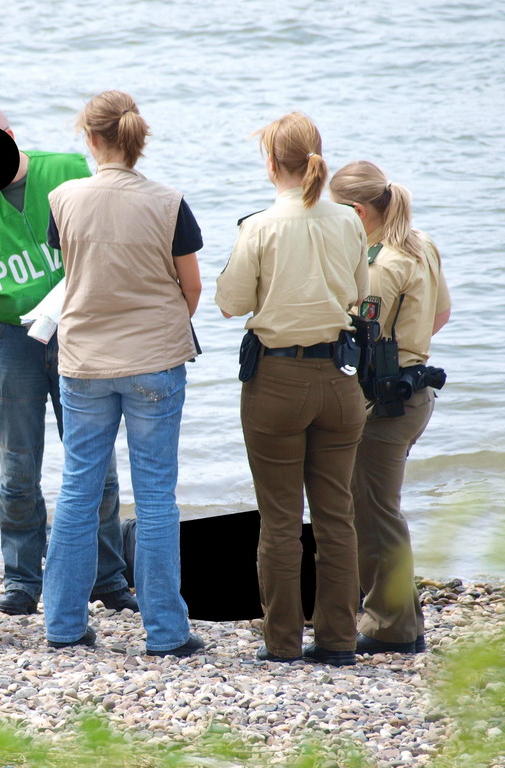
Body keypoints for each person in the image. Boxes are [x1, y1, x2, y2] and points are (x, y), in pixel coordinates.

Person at [0, 103, 135, 617]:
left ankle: (108, 577)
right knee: (18, 466)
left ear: (8, 136)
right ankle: (22, 578)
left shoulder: (66, 168)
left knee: (95, 461)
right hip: (10, 340)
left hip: (76, 331)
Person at [40, 91, 204, 654]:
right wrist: (159, 331)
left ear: (89, 136)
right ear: (138, 137)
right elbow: (192, 288)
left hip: (84, 359)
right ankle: (166, 632)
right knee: (156, 497)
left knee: (78, 491)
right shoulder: (168, 201)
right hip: (153, 361)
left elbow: (78, 272)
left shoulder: (62, 199)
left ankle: (62, 626)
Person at [215, 112, 369, 667]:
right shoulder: (350, 221)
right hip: (340, 380)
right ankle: (338, 642)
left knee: (280, 521)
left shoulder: (259, 226)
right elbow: (359, 292)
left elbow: (231, 303)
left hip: (277, 382)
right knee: (337, 518)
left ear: (270, 163)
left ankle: (283, 644)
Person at [329, 161, 451, 655]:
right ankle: (390, 613)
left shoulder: (379, 265)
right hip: (414, 389)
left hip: (385, 400)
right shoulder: (420, 244)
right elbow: (440, 315)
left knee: (374, 510)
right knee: (375, 506)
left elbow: (359, 335)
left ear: (358, 212)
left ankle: (394, 627)